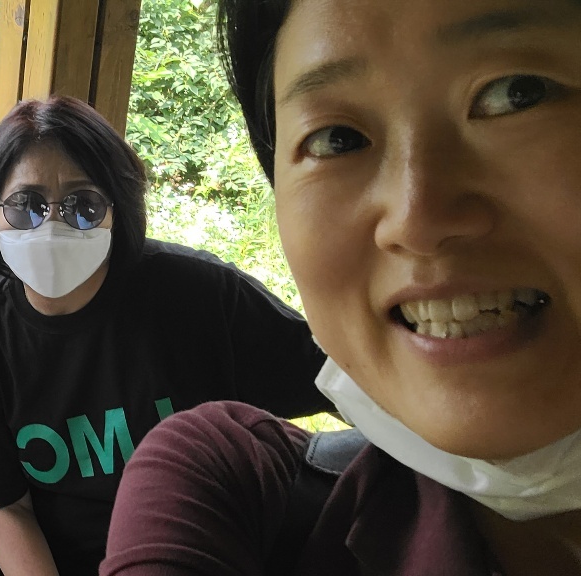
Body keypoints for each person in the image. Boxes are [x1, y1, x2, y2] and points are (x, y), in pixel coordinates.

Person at [102, 0, 581, 574]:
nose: (416, 218)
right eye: (337, 139)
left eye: (519, 94)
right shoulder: (223, 487)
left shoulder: (195, 288)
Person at [0, 95, 331, 576]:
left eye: (83, 205)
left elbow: (349, 379)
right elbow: (6, 507)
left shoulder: (199, 297)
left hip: (202, 555)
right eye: (27, 205)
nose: (53, 225)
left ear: (117, 209)